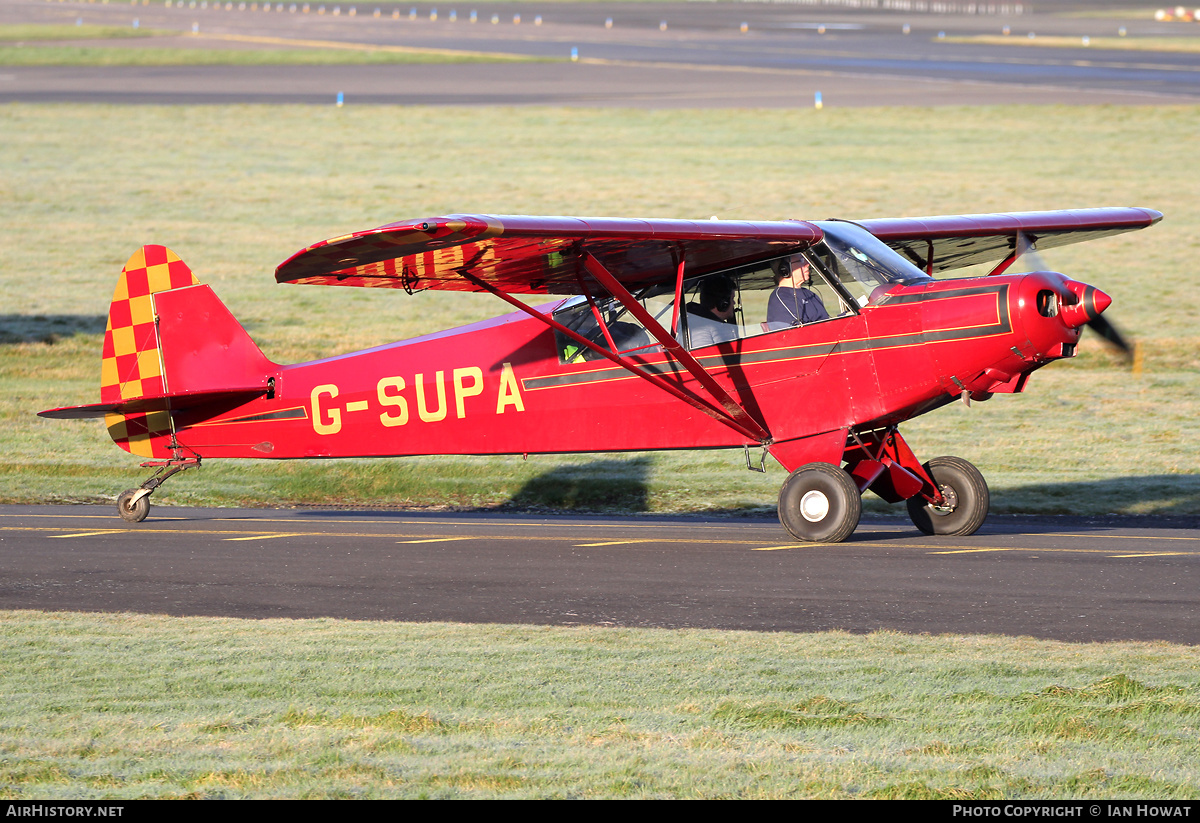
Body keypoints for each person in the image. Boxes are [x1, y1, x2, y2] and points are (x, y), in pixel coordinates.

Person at [767, 255, 829, 327]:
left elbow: (826, 321)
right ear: (785, 269)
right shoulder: (781, 298)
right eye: (802, 261)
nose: (807, 264)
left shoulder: (810, 294)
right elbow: (799, 332)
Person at [685, 275, 739, 348]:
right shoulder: (699, 329)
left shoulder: (714, 325)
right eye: (732, 298)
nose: (734, 303)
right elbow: (704, 357)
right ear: (723, 304)